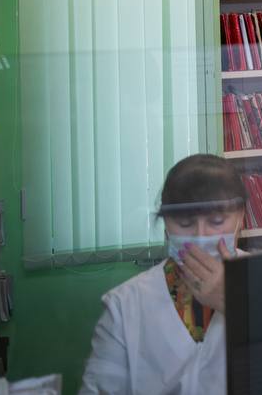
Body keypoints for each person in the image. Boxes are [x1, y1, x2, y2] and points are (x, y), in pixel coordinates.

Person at [80, 154, 246, 395]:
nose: (200, 236)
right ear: (166, 225)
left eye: (217, 221)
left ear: (241, 218)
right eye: (185, 223)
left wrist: (233, 301)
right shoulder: (124, 306)